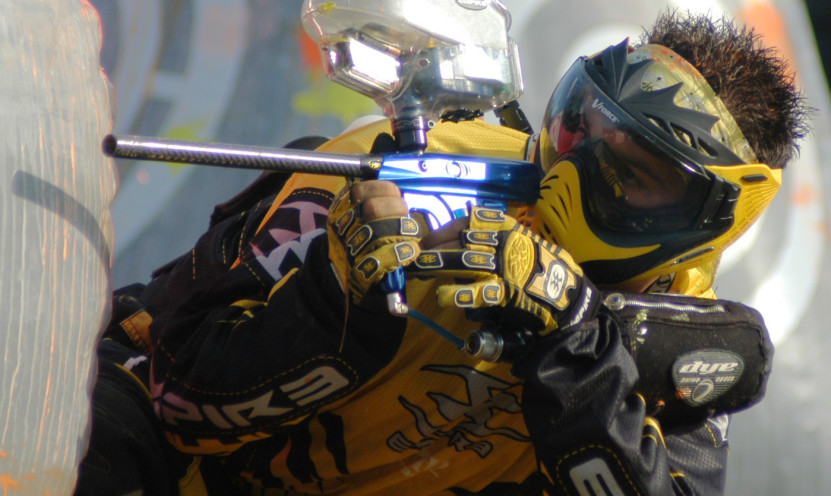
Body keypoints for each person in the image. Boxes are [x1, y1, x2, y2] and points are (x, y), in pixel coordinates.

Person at [75, 9, 810, 496]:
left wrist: (576, 346)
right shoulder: (404, 178)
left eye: (632, 172)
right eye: (579, 131)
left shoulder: (685, 340)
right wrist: (334, 298)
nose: (574, 172)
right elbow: (176, 400)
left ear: (711, 215)